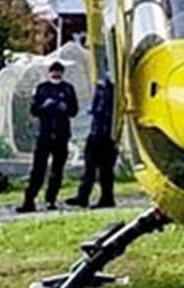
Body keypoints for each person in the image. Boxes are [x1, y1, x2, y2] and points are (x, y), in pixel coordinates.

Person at [18, 60, 78, 212]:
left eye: (58, 71)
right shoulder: (42, 88)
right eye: (53, 71)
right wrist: (44, 106)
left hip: (61, 135)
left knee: (57, 170)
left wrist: (64, 108)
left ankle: (50, 200)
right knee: (38, 169)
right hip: (44, 135)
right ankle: (29, 200)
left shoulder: (68, 89)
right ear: (49, 73)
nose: (56, 74)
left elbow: (74, 110)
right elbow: (33, 110)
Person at [66, 77, 117, 209]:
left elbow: (101, 111)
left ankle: (102, 197)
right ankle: (86, 196)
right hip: (100, 132)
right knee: (94, 168)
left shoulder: (109, 90)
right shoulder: (103, 88)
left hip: (104, 134)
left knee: (101, 168)